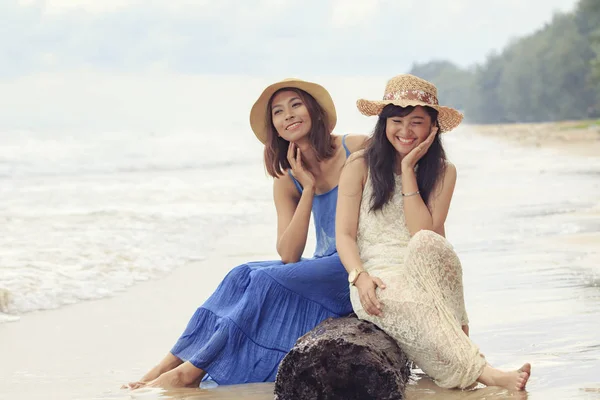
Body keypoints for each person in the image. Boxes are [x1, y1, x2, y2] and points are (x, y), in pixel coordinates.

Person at [125, 78, 366, 389]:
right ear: (275, 129)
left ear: (314, 111)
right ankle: (169, 362)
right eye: (278, 112)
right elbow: (289, 255)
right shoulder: (286, 179)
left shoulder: (355, 147)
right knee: (241, 273)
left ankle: (191, 372)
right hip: (321, 264)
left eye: (295, 105)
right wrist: (307, 188)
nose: (288, 115)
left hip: (352, 265)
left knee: (266, 280)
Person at [335, 74, 531, 391]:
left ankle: (461, 352)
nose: (405, 131)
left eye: (416, 122)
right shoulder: (360, 165)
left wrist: (410, 171)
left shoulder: (442, 171)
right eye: (396, 121)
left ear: (432, 127)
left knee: (429, 242)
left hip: (426, 267)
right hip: (380, 276)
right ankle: (488, 372)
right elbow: (343, 234)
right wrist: (359, 275)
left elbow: (422, 234)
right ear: (384, 123)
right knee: (418, 304)